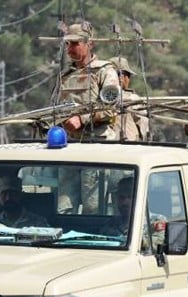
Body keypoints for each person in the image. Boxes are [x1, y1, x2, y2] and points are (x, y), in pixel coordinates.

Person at [55, 22, 122, 214]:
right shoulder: (65, 75)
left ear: (89, 44)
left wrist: (82, 119)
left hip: (97, 146)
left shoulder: (105, 71)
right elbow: (56, 107)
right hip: (69, 147)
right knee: (64, 206)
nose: (70, 49)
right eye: (68, 44)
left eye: (75, 43)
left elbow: (111, 107)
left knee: (93, 206)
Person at [109, 56, 149, 141]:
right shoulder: (132, 99)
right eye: (129, 76)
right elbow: (143, 125)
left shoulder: (99, 98)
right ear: (122, 77)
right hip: (128, 144)